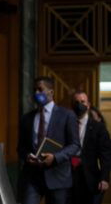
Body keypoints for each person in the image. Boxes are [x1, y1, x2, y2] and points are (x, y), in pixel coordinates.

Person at [17, 76, 80, 204]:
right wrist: (27, 156)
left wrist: (55, 157)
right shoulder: (27, 118)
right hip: (32, 177)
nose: (36, 93)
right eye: (34, 90)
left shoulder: (67, 115)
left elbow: (75, 145)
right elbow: (21, 147)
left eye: (40, 89)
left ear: (51, 92)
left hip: (58, 176)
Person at [69, 91, 111, 204]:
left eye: (82, 101)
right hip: (68, 178)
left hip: (91, 180)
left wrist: (104, 178)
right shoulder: (66, 124)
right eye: (76, 102)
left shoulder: (99, 128)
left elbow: (105, 155)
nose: (79, 104)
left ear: (88, 104)